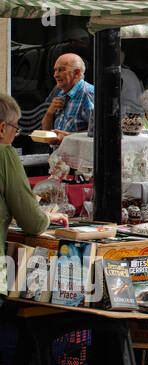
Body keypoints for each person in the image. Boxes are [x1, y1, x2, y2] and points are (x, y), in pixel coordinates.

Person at [0, 92, 62, 258]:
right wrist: (46, 218)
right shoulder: (4, 154)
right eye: (15, 129)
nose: (14, 135)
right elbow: (32, 222)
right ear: (2, 129)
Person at [41, 54, 94, 138]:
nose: (56, 75)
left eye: (61, 70)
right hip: (59, 150)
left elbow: (98, 132)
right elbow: (46, 132)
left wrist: (69, 137)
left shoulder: (87, 93)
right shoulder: (61, 93)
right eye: (55, 70)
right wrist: (49, 113)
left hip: (78, 151)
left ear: (77, 73)